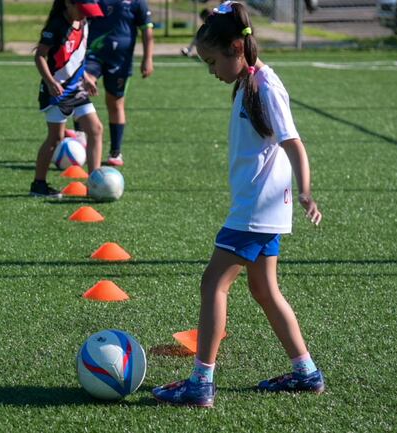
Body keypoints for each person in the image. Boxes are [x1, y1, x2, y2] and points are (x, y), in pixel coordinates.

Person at [151, 1, 324, 407]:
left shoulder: (265, 86)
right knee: (264, 290)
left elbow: (293, 144)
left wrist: (306, 191)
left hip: (257, 208)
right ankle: (306, 372)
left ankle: (200, 382)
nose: (211, 70)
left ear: (235, 48)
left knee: (214, 283)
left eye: (211, 61)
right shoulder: (250, 81)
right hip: (265, 208)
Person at [31, 0, 105, 198]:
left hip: (77, 88)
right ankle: (38, 185)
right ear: (68, 4)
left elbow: (76, 57)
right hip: (56, 91)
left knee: (96, 129)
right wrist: (49, 81)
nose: (84, 15)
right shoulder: (55, 26)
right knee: (55, 138)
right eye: (81, 10)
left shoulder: (84, 23)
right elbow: (40, 56)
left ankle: (94, 183)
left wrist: (86, 77)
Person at [81, 0, 154, 167]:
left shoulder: (137, 2)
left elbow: (147, 31)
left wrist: (147, 58)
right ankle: (80, 136)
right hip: (94, 54)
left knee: (115, 103)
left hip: (120, 61)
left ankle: (115, 151)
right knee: (81, 87)